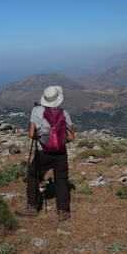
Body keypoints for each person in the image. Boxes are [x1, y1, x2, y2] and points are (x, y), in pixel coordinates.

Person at [15, 85, 74, 222]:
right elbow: (71, 137)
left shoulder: (36, 110)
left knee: (33, 175)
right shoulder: (64, 113)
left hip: (43, 152)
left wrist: (43, 139)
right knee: (61, 179)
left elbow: (31, 134)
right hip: (60, 153)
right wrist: (58, 142)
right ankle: (63, 211)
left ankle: (32, 207)